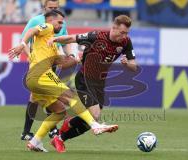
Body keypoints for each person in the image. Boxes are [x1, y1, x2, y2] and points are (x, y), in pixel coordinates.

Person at [9, 10, 118, 152]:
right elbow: (31, 30)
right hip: (40, 75)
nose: (62, 25)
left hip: (34, 80)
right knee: (71, 96)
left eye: (63, 22)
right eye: (59, 22)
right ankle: (95, 125)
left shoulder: (51, 44)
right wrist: (22, 44)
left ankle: (35, 141)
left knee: (59, 111)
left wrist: (75, 59)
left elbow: (62, 64)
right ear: (50, 21)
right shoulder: (46, 27)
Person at [47, 15, 137, 153]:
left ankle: (61, 137)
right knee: (94, 117)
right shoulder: (96, 36)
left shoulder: (125, 42)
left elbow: (134, 66)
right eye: (122, 32)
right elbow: (72, 38)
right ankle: (62, 134)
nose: (124, 36)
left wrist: (127, 64)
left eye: (126, 33)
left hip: (99, 83)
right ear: (114, 28)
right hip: (84, 79)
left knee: (91, 120)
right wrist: (55, 39)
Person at [20, 0, 73, 141]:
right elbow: (24, 39)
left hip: (53, 61)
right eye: (51, 7)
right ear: (44, 8)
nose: (54, 9)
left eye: (56, 7)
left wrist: (71, 55)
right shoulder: (36, 21)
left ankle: (50, 129)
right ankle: (27, 131)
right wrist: (30, 56)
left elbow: (65, 41)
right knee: (36, 96)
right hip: (39, 63)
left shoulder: (61, 22)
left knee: (50, 95)